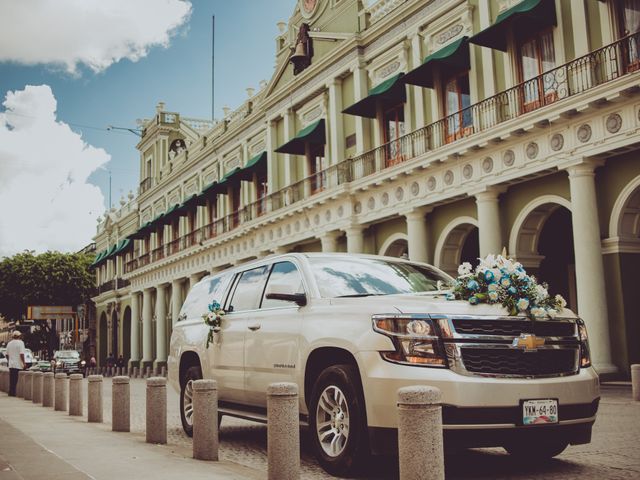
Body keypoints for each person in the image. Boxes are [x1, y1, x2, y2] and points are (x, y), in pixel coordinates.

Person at [6, 331, 25, 397]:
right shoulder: (21, 343)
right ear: (19, 336)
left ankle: (11, 391)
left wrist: (9, 361)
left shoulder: (9, 343)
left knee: (12, 379)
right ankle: (13, 392)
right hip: (18, 364)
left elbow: (7, 355)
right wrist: (24, 363)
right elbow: (21, 354)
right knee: (16, 379)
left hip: (11, 364)